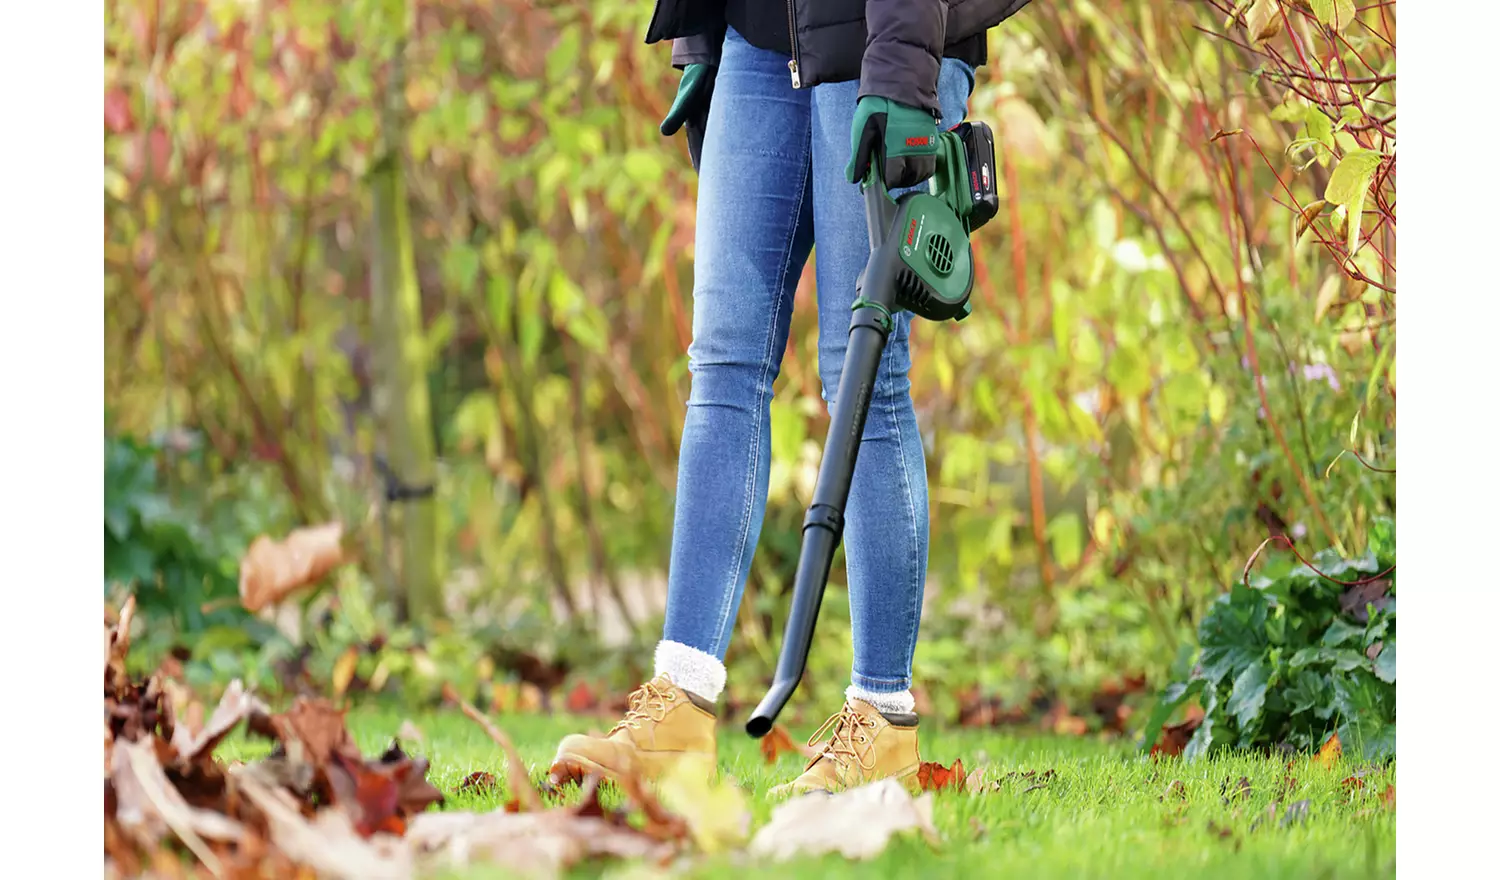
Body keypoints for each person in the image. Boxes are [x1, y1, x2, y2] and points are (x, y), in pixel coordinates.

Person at [551, 0, 1033, 796]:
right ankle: (677, 708)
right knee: (723, 365)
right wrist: (700, 33)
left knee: (864, 374)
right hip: (759, 34)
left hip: (884, 39)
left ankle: (882, 720)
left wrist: (907, 65)